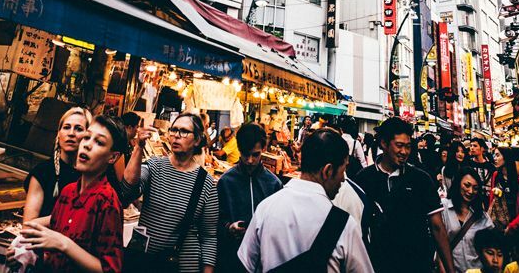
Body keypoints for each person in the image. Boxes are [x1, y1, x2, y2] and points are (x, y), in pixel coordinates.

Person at [238, 128, 372, 272]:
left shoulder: (265, 209)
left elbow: (246, 265)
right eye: (342, 170)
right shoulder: (344, 224)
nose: (342, 179)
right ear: (327, 171)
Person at [20, 116, 127, 272]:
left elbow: (110, 269)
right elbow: (53, 256)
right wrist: (25, 254)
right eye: (86, 137)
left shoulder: (107, 201)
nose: (87, 145)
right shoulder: (68, 192)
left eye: (99, 142)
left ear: (112, 157)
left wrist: (64, 244)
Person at [354, 117, 456, 273]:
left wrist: (450, 269)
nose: (404, 152)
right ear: (384, 144)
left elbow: (437, 227)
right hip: (378, 265)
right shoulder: (364, 179)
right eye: (399, 146)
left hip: (417, 264)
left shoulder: (421, 179)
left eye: (408, 146)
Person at [123, 112, 218, 272]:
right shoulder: (154, 166)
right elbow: (128, 191)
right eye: (173, 130)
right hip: (144, 260)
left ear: (197, 140)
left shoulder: (206, 183)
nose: (176, 136)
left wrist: (208, 270)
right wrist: (138, 147)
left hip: (182, 265)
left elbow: (209, 236)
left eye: (183, 131)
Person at [216, 123, 282, 271]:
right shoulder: (225, 182)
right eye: (246, 154)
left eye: (255, 154)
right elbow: (213, 222)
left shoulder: (274, 184)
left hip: (264, 262)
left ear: (263, 150)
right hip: (232, 260)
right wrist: (229, 228)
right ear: (239, 149)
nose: (250, 160)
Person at [25, 107, 93, 222]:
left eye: (78, 129)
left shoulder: (91, 174)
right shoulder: (42, 173)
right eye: (66, 127)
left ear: (88, 136)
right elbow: (28, 225)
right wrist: (72, 217)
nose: (71, 133)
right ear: (58, 134)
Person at [440, 168, 495, 272]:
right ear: (458, 184)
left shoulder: (482, 217)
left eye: (475, 188)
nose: (471, 191)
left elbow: (492, 243)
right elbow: (439, 247)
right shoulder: (444, 208)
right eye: (467, 185)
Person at [488, 149, 519, 233]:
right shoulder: (495, 176)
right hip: (497, 226)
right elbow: (492, 199)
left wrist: (511, 226)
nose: (494, 158)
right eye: (494, 155)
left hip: (515, 228)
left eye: (497, 155)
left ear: (506, 158)